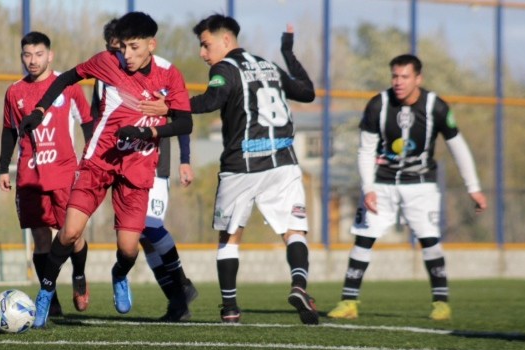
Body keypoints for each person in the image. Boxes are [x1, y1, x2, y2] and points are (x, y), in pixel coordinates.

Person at [18, 12, 193, 328]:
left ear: (151, 45)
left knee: (128, 248)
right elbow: (66, 77)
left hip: (138, 167)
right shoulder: (108, 61)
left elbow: (185, 122)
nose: (126, 55)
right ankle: (45, 291)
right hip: (99, 161)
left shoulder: (169, 75)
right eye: (122, 47)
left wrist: (143, 134)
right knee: (70, 232)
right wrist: (40, 111)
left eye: (134, 48)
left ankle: (119, 274)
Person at [143, 16, 317, 325]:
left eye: (205, 45)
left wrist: (169, 105)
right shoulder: (269, 66)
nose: (202, 53)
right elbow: (307, 92)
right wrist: (288, 53)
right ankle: (300, 285)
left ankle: (230, 307)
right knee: (294, 231)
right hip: (283, 161)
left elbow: (212, 99)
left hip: (243, 164)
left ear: (226, 41)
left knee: (230, 236)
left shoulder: (224, 69)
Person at [328, 54, 487, 322]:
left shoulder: (436, 107)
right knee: (363, 239)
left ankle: (441, 303)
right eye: (395, 76)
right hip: (382, 183)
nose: (398, 82)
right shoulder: (378, 105)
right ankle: (348, 302)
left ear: (418, 79)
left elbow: (457, 146)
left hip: (421, 185)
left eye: (405, 77)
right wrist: (368, 188)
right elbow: (365, 150)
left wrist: (473, 187)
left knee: (429, 239)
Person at [96, 18, 198, 322]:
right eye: (116, 48)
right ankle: (177, 300)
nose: (123, 55)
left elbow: (180, 114)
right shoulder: (106, 74)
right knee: (141, 234)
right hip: (119, 162)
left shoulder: (163, 70)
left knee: (150, 225)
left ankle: (181, 285)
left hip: (153, 159)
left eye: (128, 47)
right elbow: (96, 117)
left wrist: (185, 158)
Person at [0, 31, 94, 319]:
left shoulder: (67, 87)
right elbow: (9, 131)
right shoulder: (15, 91)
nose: (32, 60)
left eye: (38, 54)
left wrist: (91, 159)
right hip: (30, 174)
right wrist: (3, 167)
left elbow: (88, 123)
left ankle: (79, 274)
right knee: (41, 238)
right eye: (27, 55)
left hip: (65, 173)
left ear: (50, 55)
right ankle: (49, 298)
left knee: (72, 235)